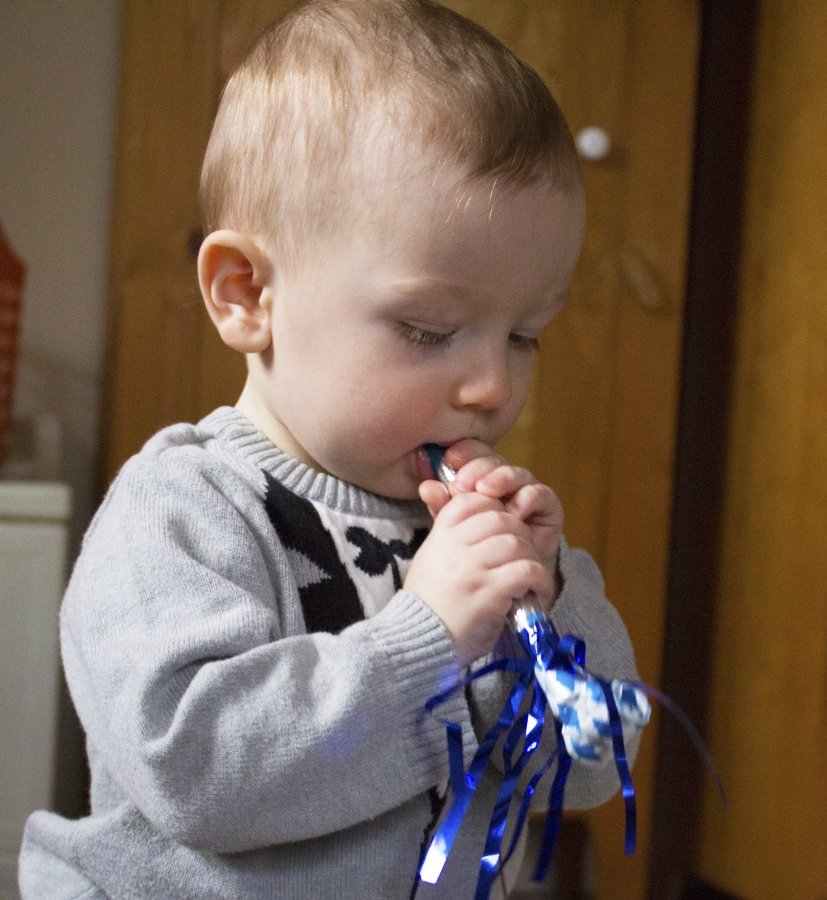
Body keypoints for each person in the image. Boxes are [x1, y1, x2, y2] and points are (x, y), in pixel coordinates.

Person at [19, 1, 642, 896]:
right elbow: (197, 775)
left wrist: (554, 607)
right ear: (246, 295)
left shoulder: (470, 541)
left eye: (525, 336)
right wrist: (427, 638)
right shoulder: (181, 511)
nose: (493, 388)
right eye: (429, 330)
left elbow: (586, 769)